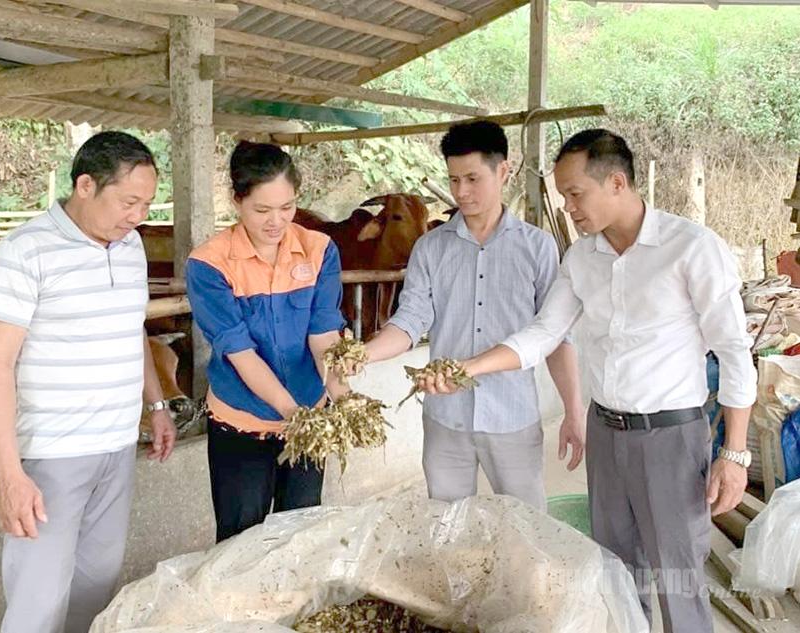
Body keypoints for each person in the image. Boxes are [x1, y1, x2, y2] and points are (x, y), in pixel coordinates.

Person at [421, 129, 757, 633]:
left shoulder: (690, 248)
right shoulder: (581, 259)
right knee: (618, 569)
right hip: (606, 432)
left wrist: (733, 453)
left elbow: (734, 351)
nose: (569, 208)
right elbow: (543, 333)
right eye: (564, 197)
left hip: (670, 435)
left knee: (678, 575)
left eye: (575, 194)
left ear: (617, 182)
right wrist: (467, 368)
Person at [0, 130, 177, 633]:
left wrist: (156, 406)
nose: (139, 216)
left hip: (116, 446)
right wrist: (11, 477)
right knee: (37, 602)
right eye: (129, 201)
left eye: (147, 203)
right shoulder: (23, 253)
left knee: (96, 590)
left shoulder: (129, 247)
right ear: (85, 185)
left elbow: (131, 329)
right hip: (51, 457)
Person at [345, 120, 586, 507]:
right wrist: (364, 355)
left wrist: (574, 412)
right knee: (446, 525)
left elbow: (556, 335)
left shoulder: (537, 248)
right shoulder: (429, 249)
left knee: (527, 526)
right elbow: (410, 321)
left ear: (503, 171)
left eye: (472, 178)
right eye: (454, 179)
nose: (461, 191)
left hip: (513, 417)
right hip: (446, 418)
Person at [186, 141, 347, 543]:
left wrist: (340, 392)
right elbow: (239, 352)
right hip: (244, 421)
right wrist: (293, 414)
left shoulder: (319, 249)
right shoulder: (209, 264)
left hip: (309, 413)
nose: (277, 221)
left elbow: (323, 331)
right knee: (241, 538)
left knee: (301, 534)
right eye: (262, 210)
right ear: (236, 200)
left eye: (287, 207)